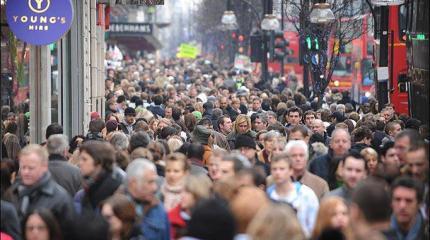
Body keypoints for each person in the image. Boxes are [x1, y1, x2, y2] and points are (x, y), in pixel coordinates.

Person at [3, 144, 75, 229]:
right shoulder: (11, 193)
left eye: (31, 168)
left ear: (44, 167)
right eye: (23, 167)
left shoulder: (61, 199)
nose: (26, 172)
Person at [267, 152, 319, 237]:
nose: (277, 173)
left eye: (282, 169)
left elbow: (314, 227)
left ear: (291, 170)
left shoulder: (306, 194)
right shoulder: (267, 196)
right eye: (274, 169)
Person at [122, 159, 170, 240]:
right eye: (150, 182)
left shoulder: (158, 209)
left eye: (155, 182)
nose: (155, 188)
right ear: (133, 183)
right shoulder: (111, 208)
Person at [74, 141, 122, 214]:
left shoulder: (115, 187)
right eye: (80, 159)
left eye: (84, 159)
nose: (80, 163)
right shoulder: (90, 185)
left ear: (99, 161)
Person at [168, 174, 213, 239]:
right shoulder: (170, 219)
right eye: (181, 191)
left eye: (187, 192)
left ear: (198, 194)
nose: (182, 195)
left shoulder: (211, 221)